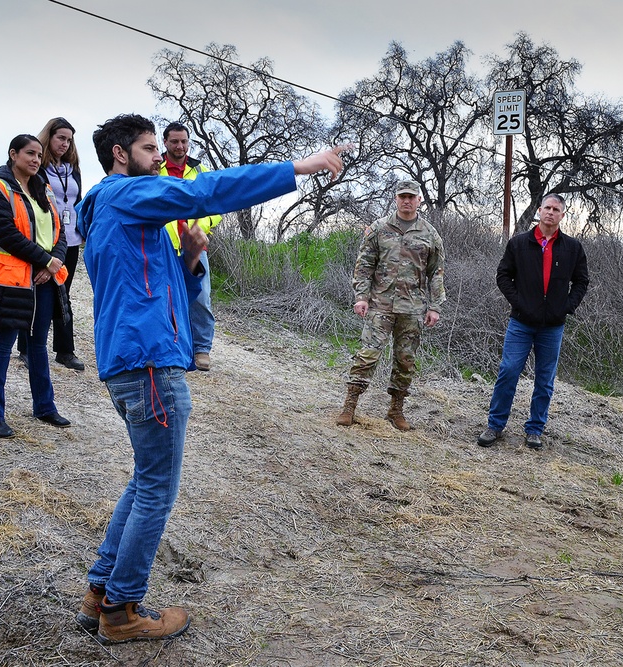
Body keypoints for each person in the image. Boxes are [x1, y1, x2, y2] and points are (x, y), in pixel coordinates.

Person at [72, 113, 344, 645]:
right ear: (121, 155)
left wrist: (192, 258)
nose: (161, 158)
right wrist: (300, 167)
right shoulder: (127, 193)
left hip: (136, 361)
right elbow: (208, 190)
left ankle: (99, 593)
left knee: (144, 479)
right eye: (151, 148)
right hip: (150, 365)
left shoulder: (111, 208)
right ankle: (122, 612)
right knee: (155, 489)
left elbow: (152, 278)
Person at [476, 193, 589, 450]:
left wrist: (566, 307)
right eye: (547, 208)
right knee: (508, 372)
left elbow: (582, 281)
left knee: (545, 379)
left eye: (556, 209)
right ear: (539, 211)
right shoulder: (519, 244)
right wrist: (520, 303)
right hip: (521, 323)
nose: (550, 212)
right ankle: (495, 425)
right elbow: (503, 275)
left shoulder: (572, 248)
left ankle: (535, 429)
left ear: (562, 215)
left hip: (553, 327)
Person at [334, 180, 446, 431]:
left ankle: (396, 410)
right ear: (395, 199)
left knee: (405, 359)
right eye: (402, 196)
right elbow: (364, 266)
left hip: (413, 308)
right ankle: (349, 405)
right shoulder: (379, 228)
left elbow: (436, 273)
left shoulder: (429, 234)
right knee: (368, 355)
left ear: (419, 200)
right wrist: (361, 297)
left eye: (411, 197)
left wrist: (435, 306)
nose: (407, 201)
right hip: (380, 305)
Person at [0, 134, 72, 439]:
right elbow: (6, 234)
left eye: (38, 155)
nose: (35, 160)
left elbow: (59, 233)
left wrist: (53, 262)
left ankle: (45, 407)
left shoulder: (43, 189)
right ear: (13, 154)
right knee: (3, 346)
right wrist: (45, 261)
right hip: (12, 281)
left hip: (43, 279)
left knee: (37, 346)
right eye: (29, 154)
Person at [17, 118, 86, 371]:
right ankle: (26, 347)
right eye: (60, 138)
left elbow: (76, 200)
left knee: (63, 293)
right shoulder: (38, 167)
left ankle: (65, 351)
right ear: (49, 137)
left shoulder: (73, 168)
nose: (65, 144)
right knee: (36, 291)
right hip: (45, 239)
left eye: (69, 140)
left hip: (70, 240)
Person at [159, 122, 222, 371]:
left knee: (201, 298)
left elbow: (216, 206)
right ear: (165, 142)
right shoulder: (155, 168)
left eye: (184, 141)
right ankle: (172, 348)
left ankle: (201, 349)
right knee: (165, 298)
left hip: (195, 248)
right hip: (164, 246)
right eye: (174, 141)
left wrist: (201, 228)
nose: (180, 146)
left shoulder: (200, 171)